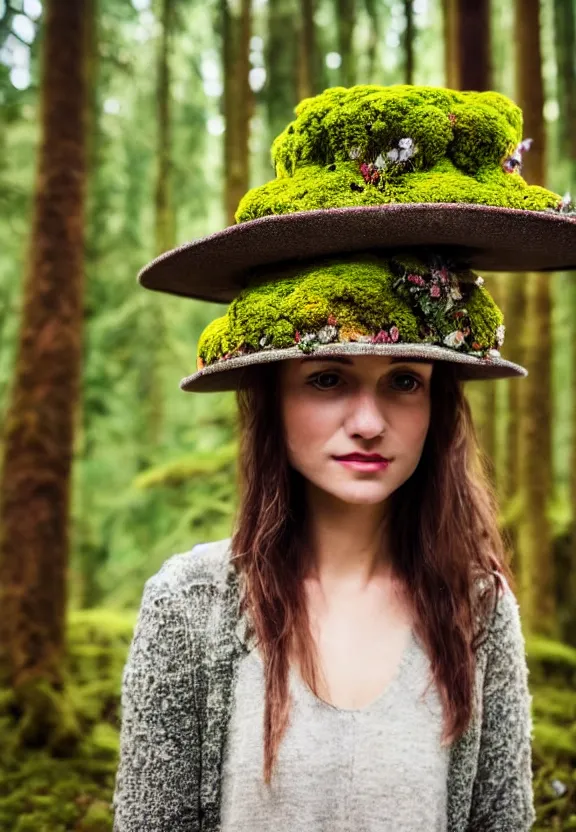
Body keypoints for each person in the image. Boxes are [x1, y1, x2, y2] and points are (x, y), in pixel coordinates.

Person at [112, 84, 576, 832]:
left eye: (404, 381)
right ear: (273, 398)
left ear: (438, 404)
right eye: (328, 380)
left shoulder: (478, 610)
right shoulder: (189, 607)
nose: (368, 421)